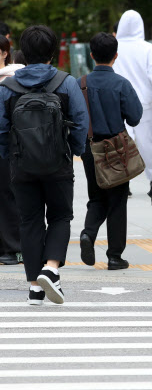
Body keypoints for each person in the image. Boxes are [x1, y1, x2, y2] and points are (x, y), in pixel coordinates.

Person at [0, 25, 88, 305]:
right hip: (57, 164)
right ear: (52, 52)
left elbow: (1, 130)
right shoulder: (66, 82)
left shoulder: (6, 88)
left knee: (29, 221)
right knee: (61, 216)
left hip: (21, 165)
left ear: (23, 52)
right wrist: (74, 151)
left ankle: (34, 288)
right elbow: (81, 122)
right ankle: (51, 268)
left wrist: (9, 156)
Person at [78, 33, 143, 270]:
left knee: (96, 196)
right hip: (116, 149)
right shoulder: (121, 84)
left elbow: (74, 120)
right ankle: (115, 256)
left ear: (92, 55)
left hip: (89, 148)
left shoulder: (81, 84)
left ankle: (88, 233)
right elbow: (135, 118)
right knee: (117, 201)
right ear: (116, 56)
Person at [113, 10, 152, 179]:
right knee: (148, 146)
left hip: (118, 104)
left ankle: (120, 181)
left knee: (120, 145)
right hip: (144, 104)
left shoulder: (115, 47)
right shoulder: (147, 48)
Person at [0, 36, 23, 266]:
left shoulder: (12, 78)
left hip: (7, 144)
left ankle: (12, 248)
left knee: (7, 195)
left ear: (5, 53)